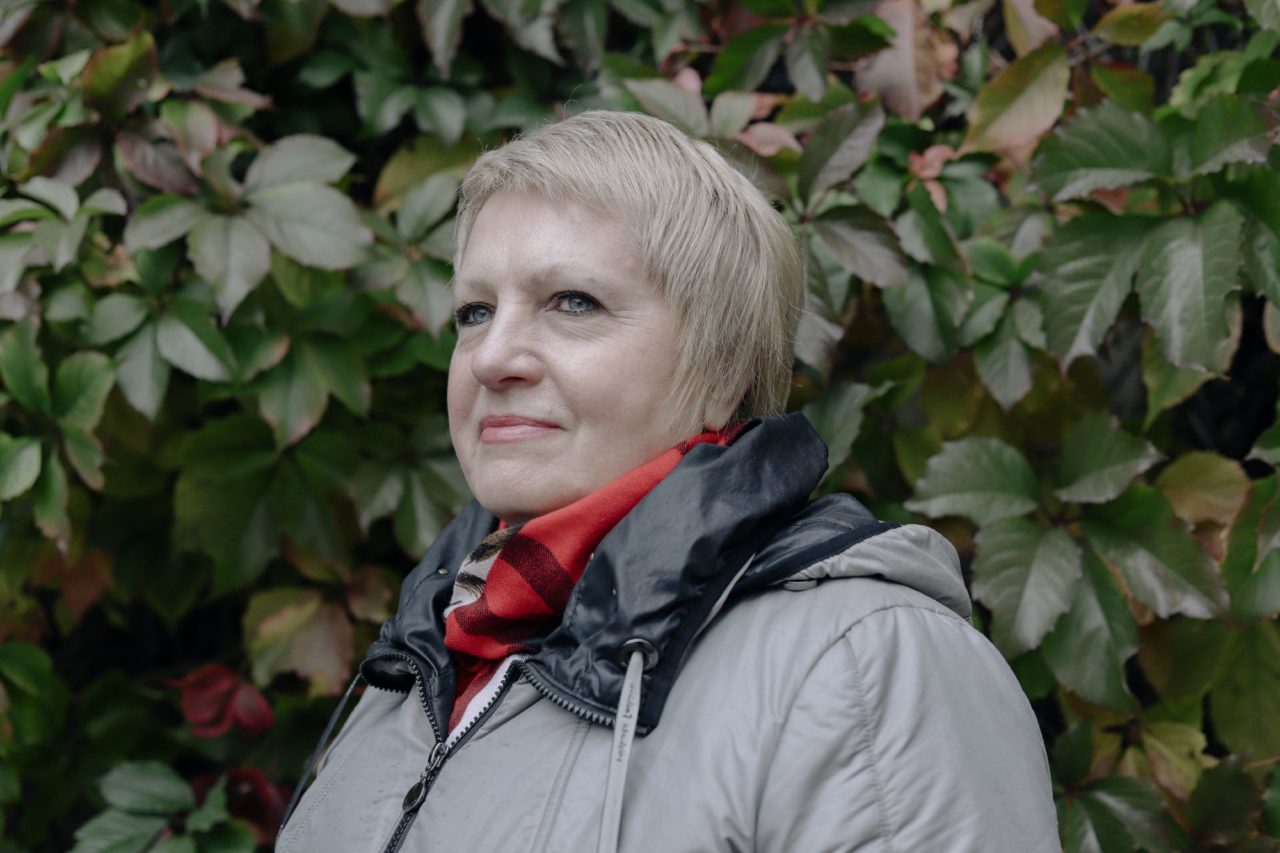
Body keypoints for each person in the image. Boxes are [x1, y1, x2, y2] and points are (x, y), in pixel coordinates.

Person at [276, 110, 1058, 853]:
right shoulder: (424, 656)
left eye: (572, 302)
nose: (491, 356)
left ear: (722, 368)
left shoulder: (864, 664)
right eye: (474, 311)